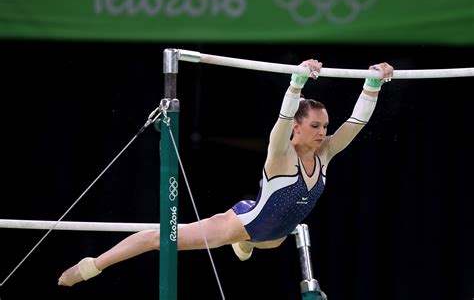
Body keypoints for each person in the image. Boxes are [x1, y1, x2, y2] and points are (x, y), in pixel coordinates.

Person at [58, 59, 394, 286]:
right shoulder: (281, 154)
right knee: (159, 239)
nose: (323, 132)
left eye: (325, 126)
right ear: (297, 126)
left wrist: (373, 84)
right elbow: (281, 119)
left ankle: (246, 245)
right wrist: (297, 81)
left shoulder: (326, 154)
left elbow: (357, 123)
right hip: (242, 226)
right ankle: (92, 266)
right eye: (316, 126)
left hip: (272, 238)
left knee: (264, 240)